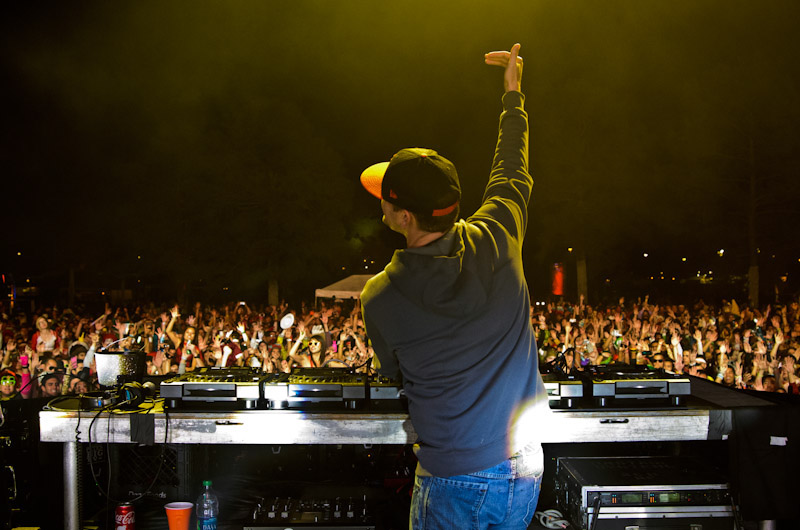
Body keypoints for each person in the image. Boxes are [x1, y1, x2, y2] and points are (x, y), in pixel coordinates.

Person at [359, 43, 548, 529]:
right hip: (525, 463)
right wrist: (513, 97)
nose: (380, 204)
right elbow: (512, 167)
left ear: (403, 217)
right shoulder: (500, 233)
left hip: (454, 478)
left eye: (385, 199)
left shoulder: (382, 295)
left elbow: (395, 374)